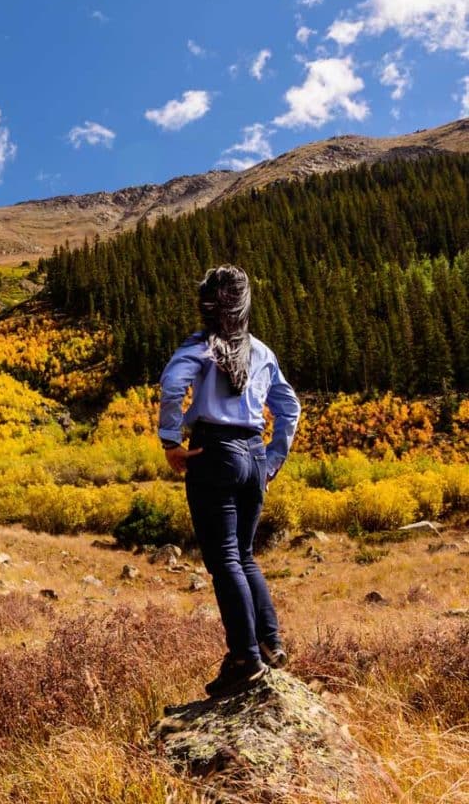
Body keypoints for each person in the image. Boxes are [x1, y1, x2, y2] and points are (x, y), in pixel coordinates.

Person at [158, 264, 301, 697]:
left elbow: (170, 384)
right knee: (243, 555)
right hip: (254, 455)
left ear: (207, 304)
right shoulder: (262, 351)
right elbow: (289, 407)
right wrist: (273, 459)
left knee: (224, 561)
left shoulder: (201, 346)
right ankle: (270, 646)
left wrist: (170, 438)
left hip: (214, 454)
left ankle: (245, 660)